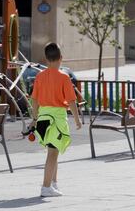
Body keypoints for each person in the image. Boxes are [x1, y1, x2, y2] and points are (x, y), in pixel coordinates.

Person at [29, 42, 82, 197]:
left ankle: (53, 183)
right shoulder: (64, 77)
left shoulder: (40, 76)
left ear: (46, 59)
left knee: (54, 150)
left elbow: (35, 100)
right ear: (61, 58)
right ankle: (46, 187)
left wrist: (34, 118)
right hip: (57, 118)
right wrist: (77, 120)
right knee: (52, 153)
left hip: (44, 118)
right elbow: (71, 101)